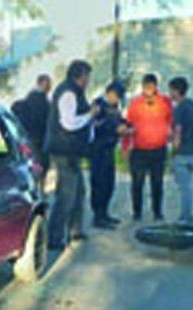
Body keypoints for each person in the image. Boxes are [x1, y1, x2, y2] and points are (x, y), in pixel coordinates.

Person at [44, 60, 100, 250]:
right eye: (87, 76)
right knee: (66, 194)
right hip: (64, 150)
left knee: (79, 191)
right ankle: (54, 236)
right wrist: (90, 115)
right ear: (80, 76)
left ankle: (75, 229)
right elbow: (68, 123)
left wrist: (90, 122)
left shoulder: (75, 92)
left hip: (72, 150)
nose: (88, 80)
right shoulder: (68, 93)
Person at [124, 73, 174, 221]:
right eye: (146, 87)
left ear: (156, 87)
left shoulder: (165, 102)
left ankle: (157, 211)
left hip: (159, 148)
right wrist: (125, 147)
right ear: (142, 87)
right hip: (139, 149)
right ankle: (137, 211)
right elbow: (128, 125)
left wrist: (171, 133)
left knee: (157, 182)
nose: (148, 90)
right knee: (137, 182)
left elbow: (171, 120)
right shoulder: (135, 104)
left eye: (151, 87)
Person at [90, 81, 132, 230]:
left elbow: (120, 121)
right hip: (98, 149)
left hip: (109, 148)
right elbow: (97, 124)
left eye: (119, 97)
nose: (117, 99)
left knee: (109, 183)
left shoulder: (115, 108)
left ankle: (105, 213)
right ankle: (98, 216)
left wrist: (127, 126)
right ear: (109, 93)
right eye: (116, 96)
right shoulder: (99, 105)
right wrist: (116, 129)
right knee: (99, 183)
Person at [169, 76, 193, 222]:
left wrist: (173, 151)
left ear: (177, 91)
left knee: (184, 188)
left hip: (182, 152)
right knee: (188, 185)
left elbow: (178, 131)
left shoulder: (179, 108)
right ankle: (186, 214)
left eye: (171, 90)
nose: (170, 94)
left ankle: (186, 217)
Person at [11, 75, 52, 171]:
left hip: (27, 137)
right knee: (40, 165)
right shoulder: (42, 101)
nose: (49, 88)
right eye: (47, 85)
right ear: (41, 84)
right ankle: (39, 184)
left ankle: (36, 182)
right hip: (39, 138)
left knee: (33, 164)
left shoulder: (28, 100)